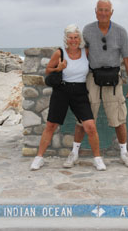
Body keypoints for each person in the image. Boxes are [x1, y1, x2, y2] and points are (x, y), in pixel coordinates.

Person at [64, 0, 128, 168]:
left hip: (113, 79)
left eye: (107, 10)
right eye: (100, 10)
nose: (103, 13)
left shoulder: (121, 32)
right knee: (84, 118)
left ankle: (124, 153)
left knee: (118, 118)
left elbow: (127, 58)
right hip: (92, 77)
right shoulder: (88, 30)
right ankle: (74, 153)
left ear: (112, 12)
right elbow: (80, 52)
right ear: (95, 11)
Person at [30, 24, 106, 171]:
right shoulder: (60, 53)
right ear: (66, 39)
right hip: (62, 90)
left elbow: (101, 50)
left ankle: (97, 159)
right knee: (51, 125)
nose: (73, 40)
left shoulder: (86, 52)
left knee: (90, 126)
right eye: (70, 38)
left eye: (76, 37)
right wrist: (59, 68)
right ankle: (39, 158)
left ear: (80, 39)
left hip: (80, 91)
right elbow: (48, 70)